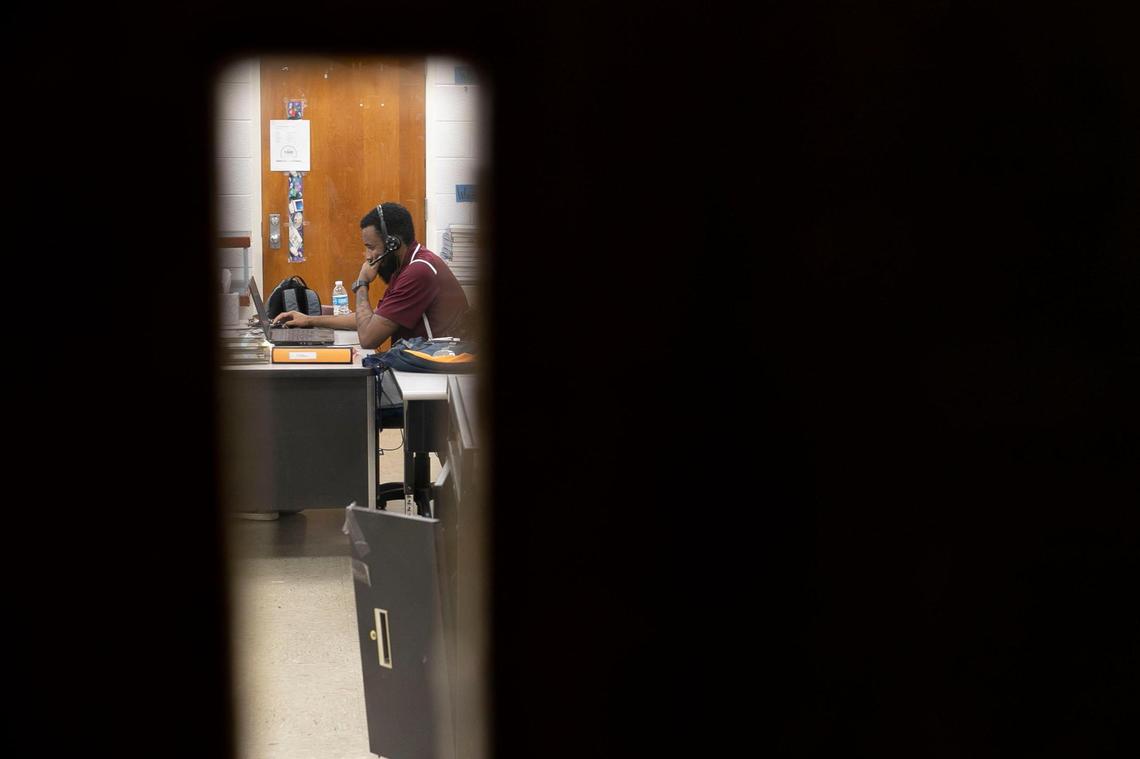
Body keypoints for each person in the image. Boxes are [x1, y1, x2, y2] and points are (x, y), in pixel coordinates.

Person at [273, 202, 469, 349]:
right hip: (426, 364)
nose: (368, 257)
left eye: (371, 247)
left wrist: (362, 283)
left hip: (437, 376)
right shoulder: (407, 265)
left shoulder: (419, 271)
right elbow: (372, 318)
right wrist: (308, 320)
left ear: (393, 243)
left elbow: (368, 338)